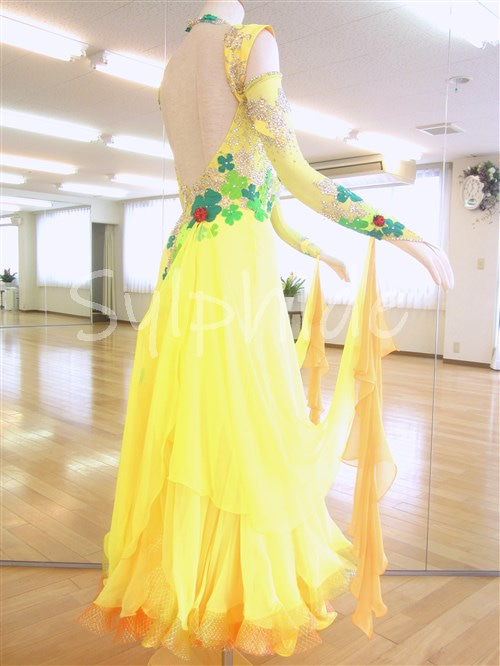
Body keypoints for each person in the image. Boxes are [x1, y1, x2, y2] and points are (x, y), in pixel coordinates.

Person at [77, 0, 453, 661]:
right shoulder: (249, 42)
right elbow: (298, 176)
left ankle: (203, 587)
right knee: (245, 428)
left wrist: (319, 252)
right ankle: (235, 593)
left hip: (186, 265)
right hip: (233, 276)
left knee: (204, 426)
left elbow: (251, 196)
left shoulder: (172, 69)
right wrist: (403, 232)